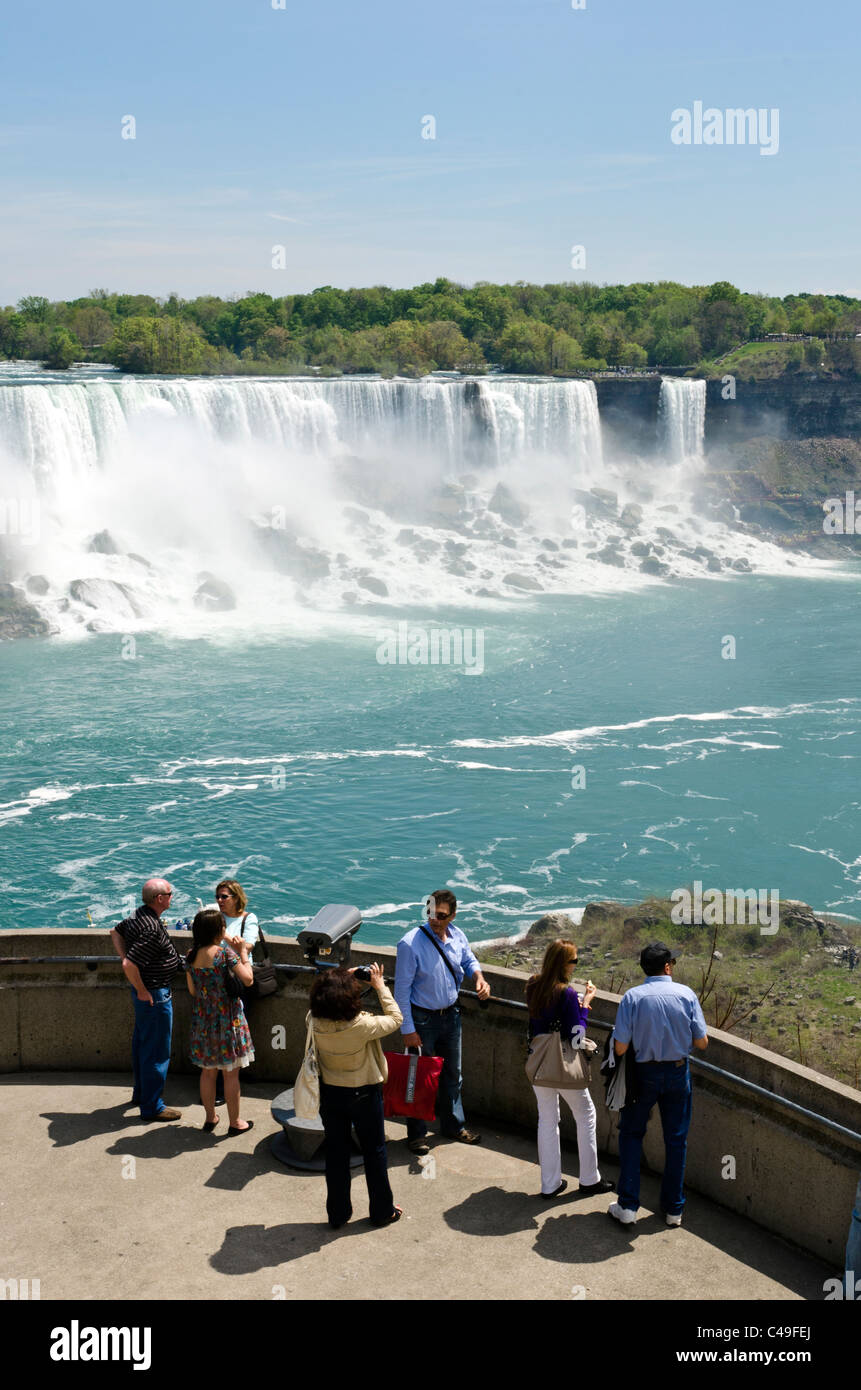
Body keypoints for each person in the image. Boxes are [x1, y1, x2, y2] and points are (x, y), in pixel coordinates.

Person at [609, 941, 708, 1228]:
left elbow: (619, 1049)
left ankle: (628, 1206)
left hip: (643, 1075)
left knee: (631, 1134)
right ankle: (673, 1210)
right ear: (667, 967)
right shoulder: (686, 994)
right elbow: (702, 1042)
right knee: (676, 1140)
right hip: (678, 1072)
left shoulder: (632, 998)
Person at [394, 889, 491, 1154]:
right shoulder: (410, 943)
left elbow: (468, 959)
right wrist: (408, 1029)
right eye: (431, 913)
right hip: (422, 1019)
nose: (435, 919)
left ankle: (453, 1126)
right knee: (419, 1078)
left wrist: (479, 977)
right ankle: (416, 1135)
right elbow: (401, 991)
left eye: (442, 915)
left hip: (451, 1015)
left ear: (453, 915)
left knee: (452, 1076)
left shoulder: (458, 935)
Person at [310, 963, 403, 1229]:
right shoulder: (361, 1025)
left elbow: (326, 999)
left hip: (330, 1092)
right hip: (364, 1093)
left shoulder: (314, 1021)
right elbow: (396, 1019)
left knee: (336, 1154)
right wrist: (379, 984)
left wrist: (339, 979)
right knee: (374, 1152)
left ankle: (338, 1215)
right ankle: (382, 1211)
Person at [526, 939, 613, 1199]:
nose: (576, 965)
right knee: (585, 1114)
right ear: (564, 963)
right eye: (574, 960)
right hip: (563, 1064)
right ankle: (589, 1179)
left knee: (547, 1120)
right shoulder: (566, 993)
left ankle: (550, 1184)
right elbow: (576, 1038)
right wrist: (584, 1005)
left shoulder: (532, 984)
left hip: (539, 1062)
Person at [110, 878, 185, 1121]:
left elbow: (115, 932)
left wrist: (131, 966)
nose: (172, 896)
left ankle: (141, 1094)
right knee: (156, 1051)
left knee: (143, 1044)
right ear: (160, 899)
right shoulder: (151, 928)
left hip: (146, 994)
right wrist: (142, 988)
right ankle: (152, 1107)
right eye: (170, 893)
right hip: (154, 995)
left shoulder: (138, 915)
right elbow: (129, 964)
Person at [185, 907, 255, 1134]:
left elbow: (193, 991)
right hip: (228, 1020)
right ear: (218, 930)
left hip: (203, 1021)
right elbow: (248, 980)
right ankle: (235, 1123)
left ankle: (210, 1118)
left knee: (207, 1072)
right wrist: (243, 952)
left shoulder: (191, 955)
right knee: (231, 1073)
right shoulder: (226, 955)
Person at [213, 879, 259, 1104]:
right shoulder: (215, 918)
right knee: (216, 1034)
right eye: (218, 897)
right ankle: (220, 1086)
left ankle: (227, 1086)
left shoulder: (248, 919)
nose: (220, 901)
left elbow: (247, 946)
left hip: (237, 980)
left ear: (236, 898)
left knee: (235, 1034)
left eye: (224, 897)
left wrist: (222, 936)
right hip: (215, 978)